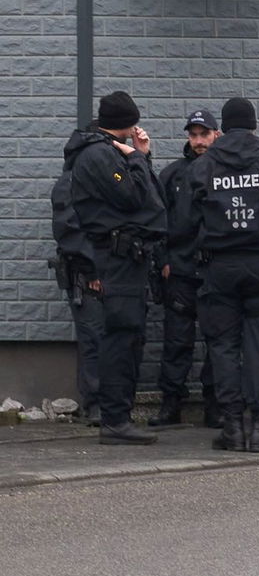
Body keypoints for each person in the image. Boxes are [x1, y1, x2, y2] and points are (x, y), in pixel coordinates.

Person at [185, 98, 259, 453]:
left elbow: (183, 223)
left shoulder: (203, 168)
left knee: (223, 346)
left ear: (222, 127)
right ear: (254, 126)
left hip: (219, 265)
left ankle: (233, 426)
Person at [68, 91, 166, 445]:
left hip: (128, 260)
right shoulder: (98, 154)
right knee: (121, 339)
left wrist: (141, 158)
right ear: (127, 122)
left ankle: (118, 417)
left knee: (129, 338)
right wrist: (138, 159)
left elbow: (151, 200)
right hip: (117, 259)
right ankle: (114, 421)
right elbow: (134, 198)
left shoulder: (109, 151)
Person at [150, 109, 220, 428]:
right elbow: (157, 220)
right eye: (193, 135)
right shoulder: (173, 174)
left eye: (203, 134)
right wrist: (163, 260)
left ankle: (214, 404)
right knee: (176, 341)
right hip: (179, 270)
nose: (198, 141)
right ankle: (171, 403)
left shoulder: (225, 172)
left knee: (218, 341)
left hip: (214, 270)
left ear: (216, 135)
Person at [51, 133, 108, 425]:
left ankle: (107, 404)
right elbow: (70, 230)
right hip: (87, 275)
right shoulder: (74, 180)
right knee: (94, 338)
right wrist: (91, 270)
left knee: (110, 338)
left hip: (109, 271)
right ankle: (96, 405)